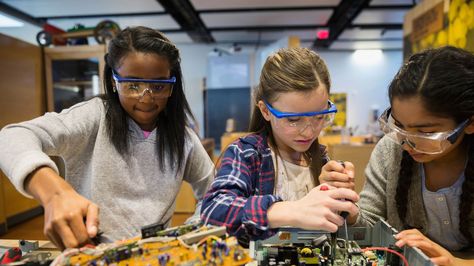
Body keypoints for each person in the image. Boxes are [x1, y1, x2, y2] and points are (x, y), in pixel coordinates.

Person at [0, 26, 214, 249]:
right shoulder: (94, 116)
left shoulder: (183, 137)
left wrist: (187, 234)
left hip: (153, 255)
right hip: (92, 252)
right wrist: (55, 194)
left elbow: (214, 194)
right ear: (114, 81)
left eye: (159, 86)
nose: (146, 98)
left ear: (172, 85)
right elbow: (11, 136)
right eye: (132, 85)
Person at [320, 46, 474, 265]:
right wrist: (345, 204)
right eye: (399, 126)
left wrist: (456, 263)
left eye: (426, 132)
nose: (408, 142)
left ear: (469, 123)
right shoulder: (390, 151)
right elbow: (370, 226)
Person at [201, 47, 359, 244]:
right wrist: (292, 210)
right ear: (265, 111)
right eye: (293, 120)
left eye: (320, 117)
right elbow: (214, 211)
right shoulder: (246, 153)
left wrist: (343, 202)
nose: (309, 132)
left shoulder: (320, 159)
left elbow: (335, 226)